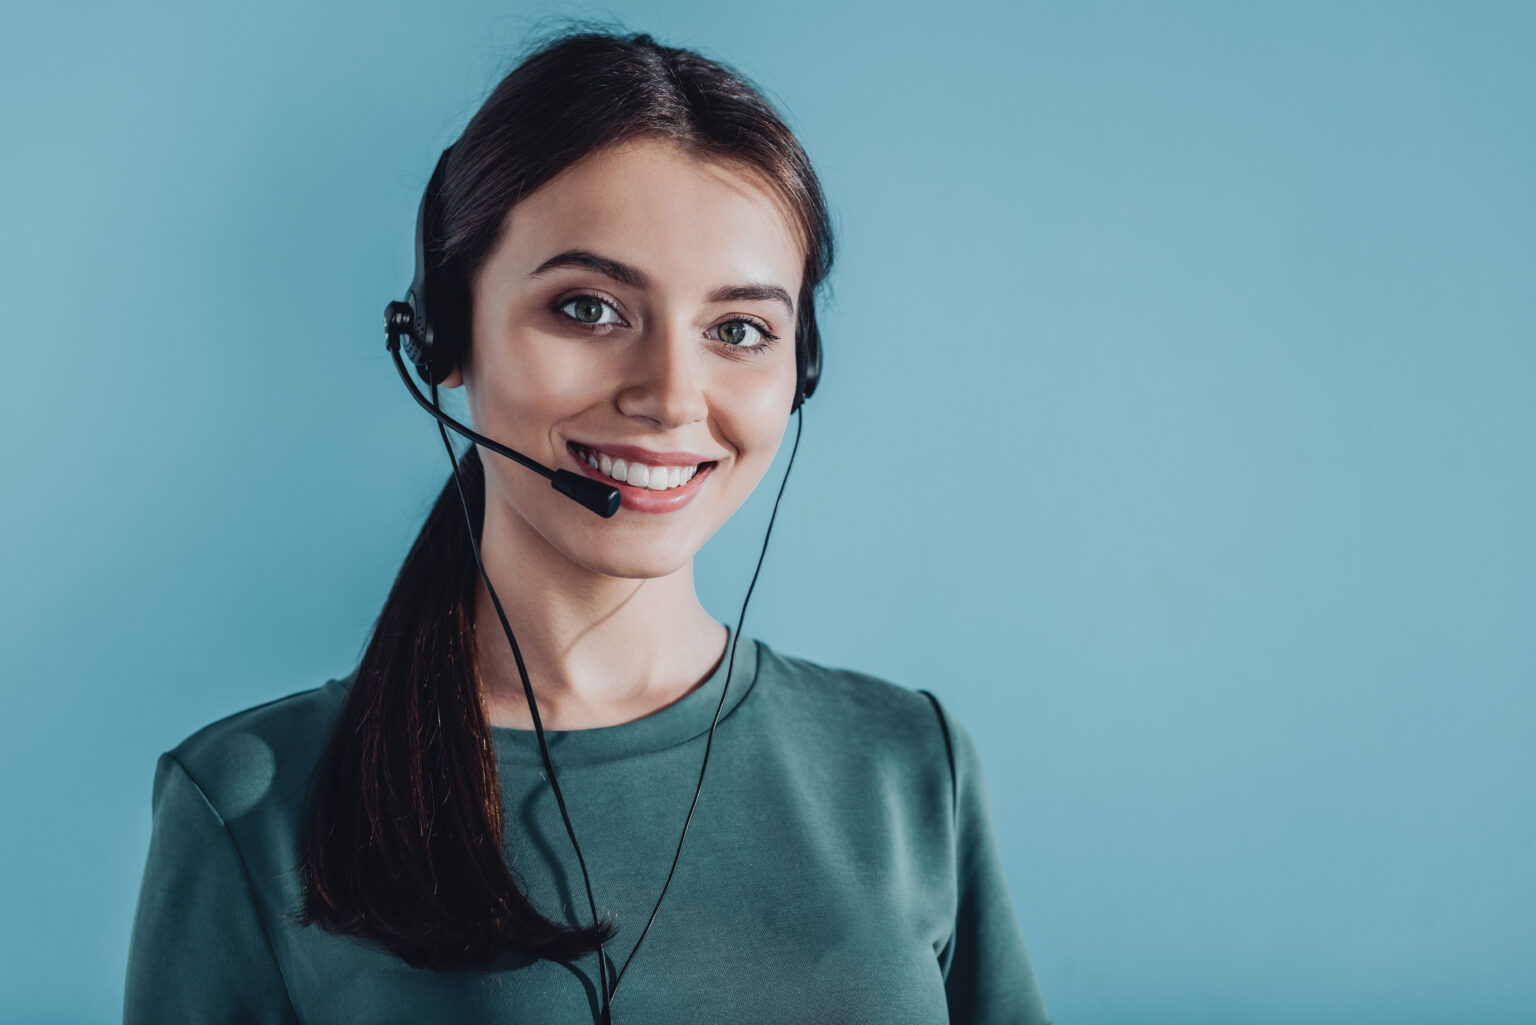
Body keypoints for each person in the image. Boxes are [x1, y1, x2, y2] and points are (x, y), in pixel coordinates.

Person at [123, 26, 1053, 1025]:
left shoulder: (908, 764)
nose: (670, 394)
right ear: (445, 328)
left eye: (739, 329)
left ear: (801, 369)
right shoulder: (248, 805)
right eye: (589, 308)